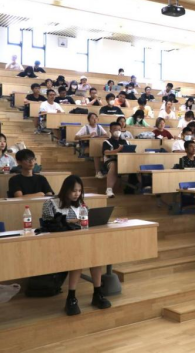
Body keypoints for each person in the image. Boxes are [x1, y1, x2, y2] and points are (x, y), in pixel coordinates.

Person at [41, 175, 111, 316]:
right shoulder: (51, 203)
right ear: (65, 189)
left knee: (96, 257)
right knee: (78, 258)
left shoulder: (82, 205)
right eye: (73, 191)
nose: (77, 194)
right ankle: (71, 297)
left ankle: (97, 293)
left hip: (80, 242)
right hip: (59, 244)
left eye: (79, 191)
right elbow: (48, 225)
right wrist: (70, 221)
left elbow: (88, 223)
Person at [75, 113, 108, 179]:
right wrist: (88, 135)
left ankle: (106, 171)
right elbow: (76, 137)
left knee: (105, 151)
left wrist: (97, 137)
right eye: (92, 118)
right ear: (89, 120)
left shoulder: (99, 127)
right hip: (86, 147)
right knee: (96, 152)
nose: (94, 119)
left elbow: (106, 135)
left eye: (95, 118)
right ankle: (98, 172)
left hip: (98, 146)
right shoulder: (85, 127)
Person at [102, 122, 129, 198]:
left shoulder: (125, 141)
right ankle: (109, 190)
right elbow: (106, 152)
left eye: (119, 129)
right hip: (110, 161)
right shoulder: (106, 142)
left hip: (124, 161)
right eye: (115, 129)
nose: (117, 131)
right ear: (110, 131)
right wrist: (118, 150)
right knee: (114, 164)